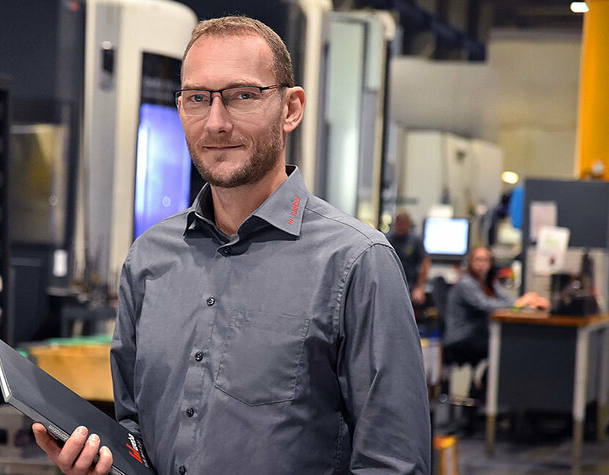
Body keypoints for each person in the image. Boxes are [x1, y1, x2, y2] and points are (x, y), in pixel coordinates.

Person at [34, 16, 430, 474]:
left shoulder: (357, 263)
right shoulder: (149, 259)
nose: (216, 122)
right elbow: (135, 434)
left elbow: (394, 463)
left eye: (242, 96)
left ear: (291, 108)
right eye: (198, 99)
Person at [444, 246, 547, 366]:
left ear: (490, 263)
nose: (481, 264)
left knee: (507, 343)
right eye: (477, 260)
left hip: (479, 335)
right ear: (470, 263)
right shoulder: (466, 283)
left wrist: (529, 304)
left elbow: (507, 300)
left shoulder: (489, 283)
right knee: (504, 347)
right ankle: (486, 382)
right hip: (462, 339)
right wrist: (520, 303)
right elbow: (486, 304)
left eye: (485, 260)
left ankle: (485, 382)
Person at [385, 211, 431, 306]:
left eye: (403, 224)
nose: (400, 227)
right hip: (390, 284)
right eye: (398, 224)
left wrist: (420, 288)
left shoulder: (415, 240)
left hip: (410, 285)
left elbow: (425, 263)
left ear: (408, 225)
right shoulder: (388, 239)